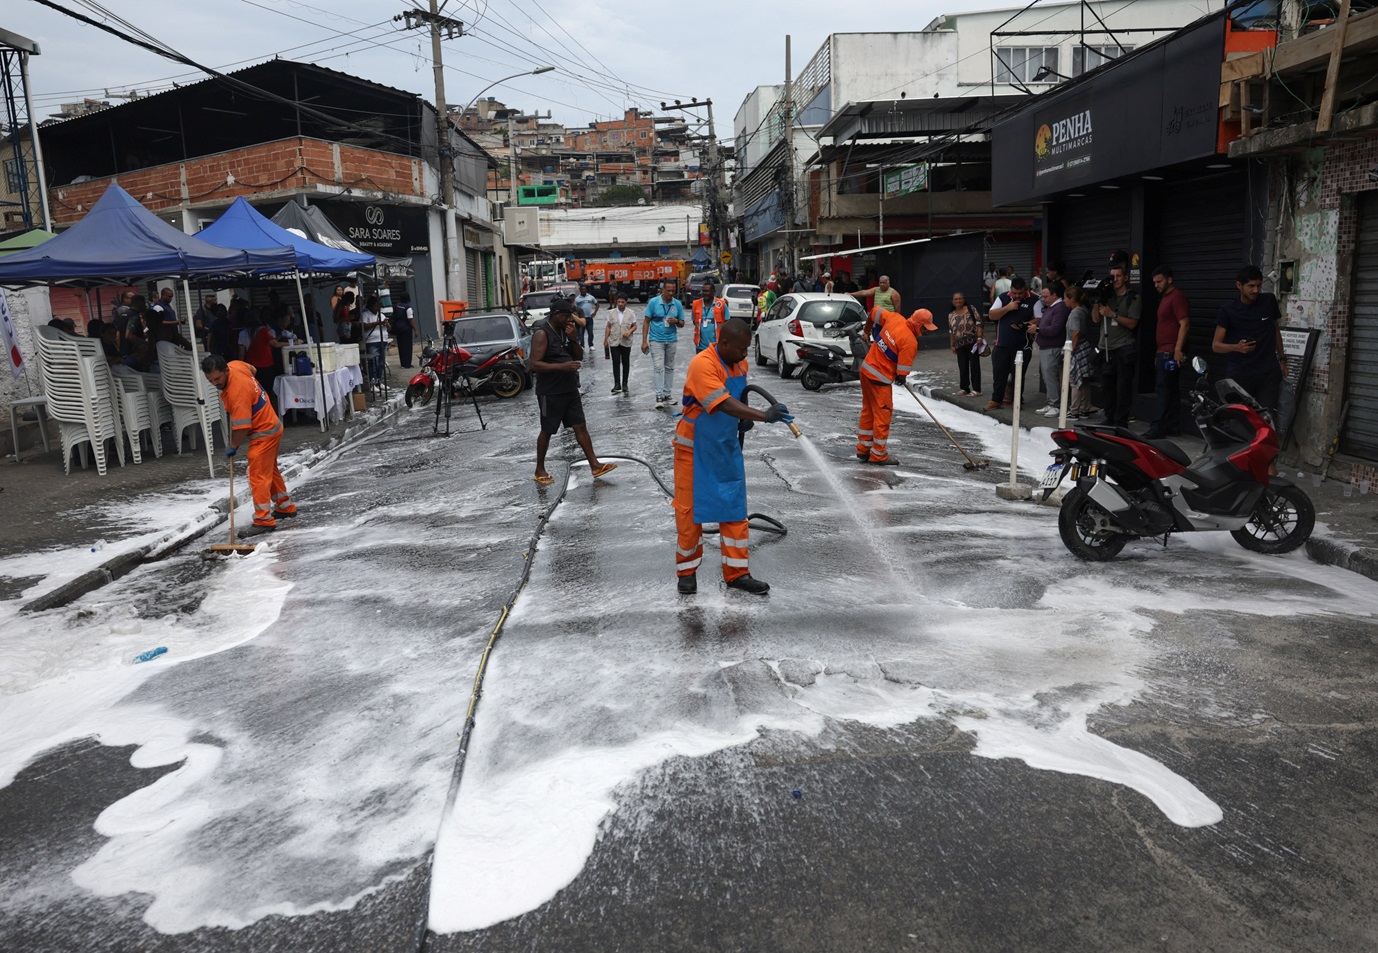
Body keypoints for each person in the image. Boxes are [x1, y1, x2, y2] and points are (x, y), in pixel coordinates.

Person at [673, 318, 792, 596]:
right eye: (741, 348)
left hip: (725, 447)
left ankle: (737, 573)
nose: (745, 354)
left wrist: (743, 420)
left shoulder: (739, 363)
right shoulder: (703, 364)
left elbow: (737, 397)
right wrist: (763, 416)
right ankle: (687, 572)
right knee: (690, 513)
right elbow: (722, 402)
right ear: (724, 343)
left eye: (747, 349)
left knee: (735, 511)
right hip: (694, 449)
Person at [201, 354, 296, 538]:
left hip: (264, 433)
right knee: (270, 469)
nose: (215, 383)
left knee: (257, 474)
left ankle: (263, 519)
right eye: (210, 380)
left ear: (226, 371)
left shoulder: (238, 393)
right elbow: (253, 369)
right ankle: (285, 506)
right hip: (272, 424)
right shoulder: (236, 365)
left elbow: (242, 427)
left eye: (218, 379)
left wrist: (233, 446)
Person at [530, 298, 618, 485]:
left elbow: (578, 356)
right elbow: (534, 364)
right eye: (566, 316)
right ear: (556, 315)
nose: (570, 320)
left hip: (569, 389)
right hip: (550, 392)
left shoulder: (566, 331)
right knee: (547, 430)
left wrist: (574, 339)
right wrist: (562, 367)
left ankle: (595, 465)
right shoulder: (542, 333)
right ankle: (540, 469)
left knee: (580, 426)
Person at [856, 308, 936, 465]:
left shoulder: (895, 318)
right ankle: (878, 455)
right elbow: (902, 373)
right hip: (879, 380)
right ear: (918, 324)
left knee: (868, 411)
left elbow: (873, 312)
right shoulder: (910, 342)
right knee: (882, 416)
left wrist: (867, 331)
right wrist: (901, 378)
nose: (926, 331)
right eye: (925, 327)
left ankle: (863, 449)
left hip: (866, 371)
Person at [1213, 264, 1287, 412]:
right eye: (1251, 286)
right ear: (1239, 285)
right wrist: (1236, 347)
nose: (1256, 290)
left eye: (1259, 286)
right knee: (1241, 419)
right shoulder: (1228, 311)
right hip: (1240, 374)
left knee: (1267, 416)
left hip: (1268, 373)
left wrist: (1282, 359)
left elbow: (1275, 331)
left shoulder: (1268, 301)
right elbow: (1216, 345)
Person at [1093, 263, 1141, 427]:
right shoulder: (1108, 296)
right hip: (1106, 348)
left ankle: (1121, 421)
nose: (1115, 280)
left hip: (1123, 347)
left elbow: (1133, 323)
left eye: (1118, 276)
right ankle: (1110, 417)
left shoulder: (1132, 298)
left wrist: (1112, 314)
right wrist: (1098, 299)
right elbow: (1095, 319)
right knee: (1107, 387)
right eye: (1112, 276)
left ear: (1125, 277)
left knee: (1123, 388)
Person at [1148, 265, 1191, 437]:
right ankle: (1172, 425)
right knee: (1170, 389)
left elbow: (1185, 323)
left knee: (1163, 388)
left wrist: (1178, 349)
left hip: (1170, 352)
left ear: (1169, 280)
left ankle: (1157, 427)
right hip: (1164, 351)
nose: (1156, 285)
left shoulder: (1177, 297)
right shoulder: (1166, 298)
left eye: (1159, 281)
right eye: (1154, 282)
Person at [986, 277, 1035, 411]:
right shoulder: (1003, 298)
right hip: (1002, 344)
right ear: (1010, 290)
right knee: (999, 374)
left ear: (1025, 289)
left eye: (1020, 293)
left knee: (1018, 375)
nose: (1017, 296)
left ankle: (1017, 400)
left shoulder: (1034, 299)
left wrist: (1025, 324)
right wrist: (1008, 308)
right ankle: (996, 400)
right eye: (1014, 293)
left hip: (1022, 345)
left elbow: (1040, 318)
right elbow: (992, 315)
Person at [640, 279, 687, 408]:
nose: (671, 293)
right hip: (656, 340)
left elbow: (682, 324)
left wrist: (676, 321)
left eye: (673, 290)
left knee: (669, 367)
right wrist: (644, 341)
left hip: (671, 340)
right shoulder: (654, 302)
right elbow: (646, 322)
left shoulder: (677, 304)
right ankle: (659, 396)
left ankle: (667, 394)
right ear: (663, 290)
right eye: (669, 290)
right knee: (658, 367)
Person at [1033, 280, 1069, 417]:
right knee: (1048, 376)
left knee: (1051, 376)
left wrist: (1037, 329)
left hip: (1052, 347)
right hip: (1046, 346)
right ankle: (1050, 402)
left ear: (1054, 295)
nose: (1043, 299)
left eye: (1046, 297)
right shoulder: (1052, 307)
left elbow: (1055, 329)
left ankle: (1055, 404)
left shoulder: (1059, 308)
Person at [1065, 284, 1096, 419]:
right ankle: (1085, 408)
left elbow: (1075, 332)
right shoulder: (1083, 310)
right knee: (1084, 381)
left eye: (1065, 298)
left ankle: (1074, 411)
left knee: (1075, 381)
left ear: (1072, 298)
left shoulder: (1075, 313)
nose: (1064, 301)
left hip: (1076, 349)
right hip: (1085, 348)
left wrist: (1072, 350)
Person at [948, 291, 984, 397]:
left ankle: (977, 389)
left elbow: (979, 323)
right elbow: (951, 331)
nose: (958, 300)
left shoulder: (971, 309)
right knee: (962, 366)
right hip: (959, 344)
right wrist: (952, 344)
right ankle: (964, 388)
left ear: (964, 300)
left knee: (974, 366)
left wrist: (979, 337)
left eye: (960, 298)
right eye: (956, 299)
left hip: (973, 342)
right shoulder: (951, 315)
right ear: (953, 301)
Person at [604, 293, 637, 394]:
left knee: (626, 362)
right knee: (616, 362)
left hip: (626, 341)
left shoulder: (631, 313)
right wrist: (606, 339)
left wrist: (629, 331)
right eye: (618, 302)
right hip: (614, 341)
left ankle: (625, 384)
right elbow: (608, 326)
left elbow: (635, 326)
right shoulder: (611, 312)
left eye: (622, 302)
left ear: (626, 302)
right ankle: (617, 384)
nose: (620, 304)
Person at [692, 279, 728, 354]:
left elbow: (727, 323)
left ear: (713, 292)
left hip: (717, 345)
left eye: (707, 291)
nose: (705, 293)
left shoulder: (721, 304)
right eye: (703, 291)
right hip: (700, 346)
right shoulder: (696, 304)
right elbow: (694, 321)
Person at [361, 295, 389, 384]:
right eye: (375, 306)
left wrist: (386, 324)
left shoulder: (381, 315)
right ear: (370, 306)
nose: (377, 308)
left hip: (383, 341)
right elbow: (364, 326)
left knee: (381, 363)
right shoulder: (365, 315)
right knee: (373, 363)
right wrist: (376, 323)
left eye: (378, 306)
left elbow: (390, 328)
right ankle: (372, 381)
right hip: (372, 342)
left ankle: (379, 381)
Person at [392, 293, 420, 368]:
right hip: (406, 328)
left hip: (398, 327)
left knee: (401, 346)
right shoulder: (408, 307)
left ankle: (403, 363)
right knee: (407, 346)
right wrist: (415, 330)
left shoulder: (397, 305)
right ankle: (407, 364)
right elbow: (410, 319)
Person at [574, 282, 599, 355]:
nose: (584, 290)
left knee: (590, 333)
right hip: (581, 319)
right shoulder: (577, 299)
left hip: (589, 318)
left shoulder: (591, 297)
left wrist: (594, 313)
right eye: (582, 289)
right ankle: (582, 345)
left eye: (585, 289)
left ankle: (591, 345)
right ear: (580, 290)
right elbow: (575, 309)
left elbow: (597, 304)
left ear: (586, 290)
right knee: (581, 333)